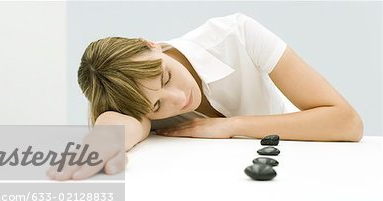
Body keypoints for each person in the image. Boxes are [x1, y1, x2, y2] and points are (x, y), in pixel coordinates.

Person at [48, 13, 363, 180]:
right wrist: (105, 135)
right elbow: (124, 124)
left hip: (304, 165)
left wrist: (232, 125)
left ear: (150, 44)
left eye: (165, 76)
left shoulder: (236, 35)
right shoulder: (138, 101)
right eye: (156, 106)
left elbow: (347, 122)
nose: (177, 99)